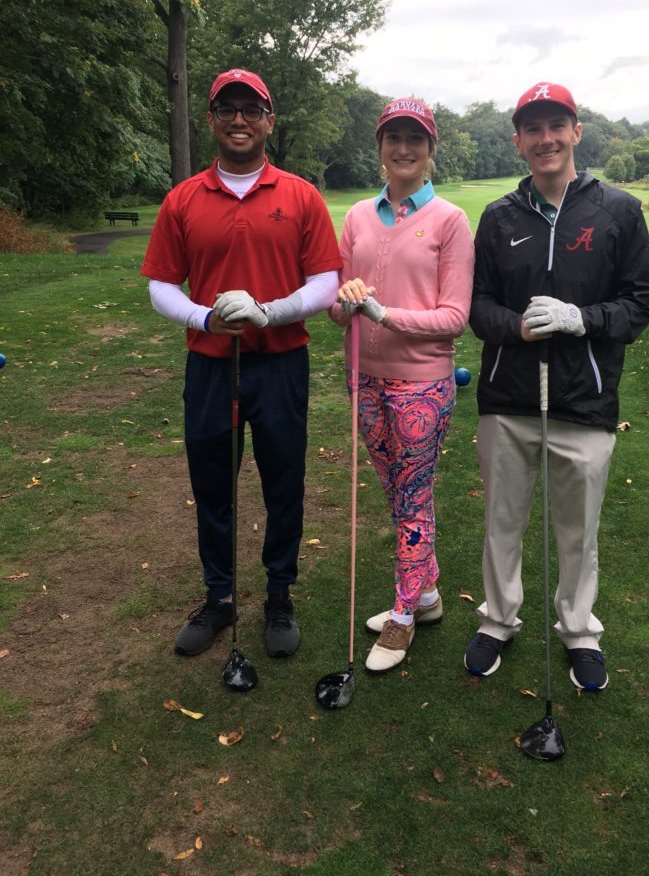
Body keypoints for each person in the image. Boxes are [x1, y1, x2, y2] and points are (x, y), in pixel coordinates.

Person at [464, 81, 649, 691]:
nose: (545, 138)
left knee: (578, 530)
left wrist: (582, 319)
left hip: (585, 400)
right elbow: (478, 306)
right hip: (508, 398)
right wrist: (518, 329)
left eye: (556, 126)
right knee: (502, 522)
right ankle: (498, 619)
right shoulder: (498, 216)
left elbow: (641, 300)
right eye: (533, 128)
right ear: (519, 140)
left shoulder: (618, 210)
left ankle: (579, 630)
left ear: (576, 131)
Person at [140, 68, 341, 660]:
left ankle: (279, 594)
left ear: (268, 121)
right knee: (212, 484)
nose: (239, 120)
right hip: (210, 365)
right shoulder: (183, 199)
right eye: (227, 109)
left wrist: (268, 313)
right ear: (211, 120)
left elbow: (326, 282)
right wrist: (205, 318)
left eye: (251, 110)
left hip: (280, 363)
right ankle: (221, 596)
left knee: (284, 482)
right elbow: (160, 284)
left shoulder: (300, 195)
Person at [330, 98, 474, 673]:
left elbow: (454, 317)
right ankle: (428, 595)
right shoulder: (357, 217)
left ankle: (404, 615)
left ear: (430, 149)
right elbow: (337, 309)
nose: (404, 148)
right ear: (380, 147)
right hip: (363, 378)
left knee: (414, 499)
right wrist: (346, 301)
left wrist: (386, 315)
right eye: (394, 138)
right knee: (397, 495)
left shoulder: (450, 221)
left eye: (416, 138)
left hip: (422, 385)